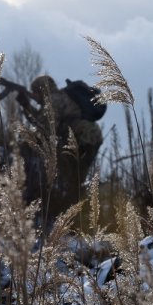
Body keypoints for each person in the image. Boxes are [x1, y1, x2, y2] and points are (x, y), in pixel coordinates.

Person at [23, 75, 104, 222]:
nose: (34, 97)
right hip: (91, 137)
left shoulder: (53, 100)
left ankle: (74, 217)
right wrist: (27, 107)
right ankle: (79, 215)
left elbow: (44, 129)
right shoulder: (60, 97)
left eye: (34, 92)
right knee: (77, 179)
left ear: (41, 90)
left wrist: (25, 143)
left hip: (82, 139)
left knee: (72, 180)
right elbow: (48, 122)